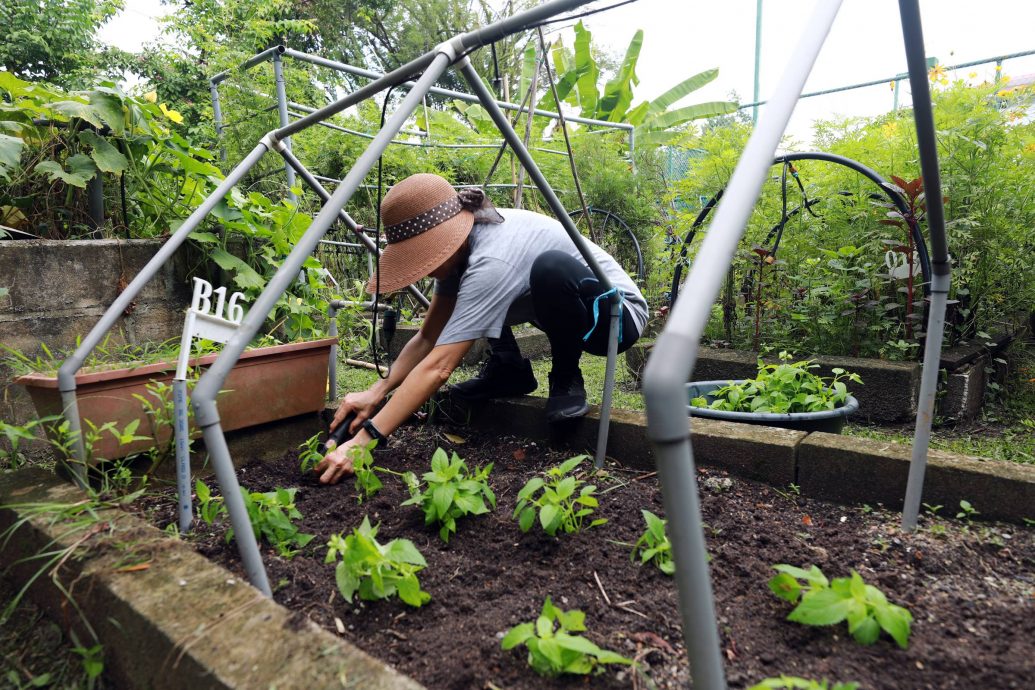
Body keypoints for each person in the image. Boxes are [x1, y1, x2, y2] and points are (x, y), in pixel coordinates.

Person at [314, 173, 647, 485]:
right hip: (554, 307)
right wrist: (375, 392)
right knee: (474, 302)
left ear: (449, 237)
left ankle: (565, 375)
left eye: (425, 256)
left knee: (548, 269)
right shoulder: (460, 255)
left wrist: (363, 441)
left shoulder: (492, 258)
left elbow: (440, 366)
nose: (425, 270)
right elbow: (428, 338)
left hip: (614, 318)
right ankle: (509, 371)